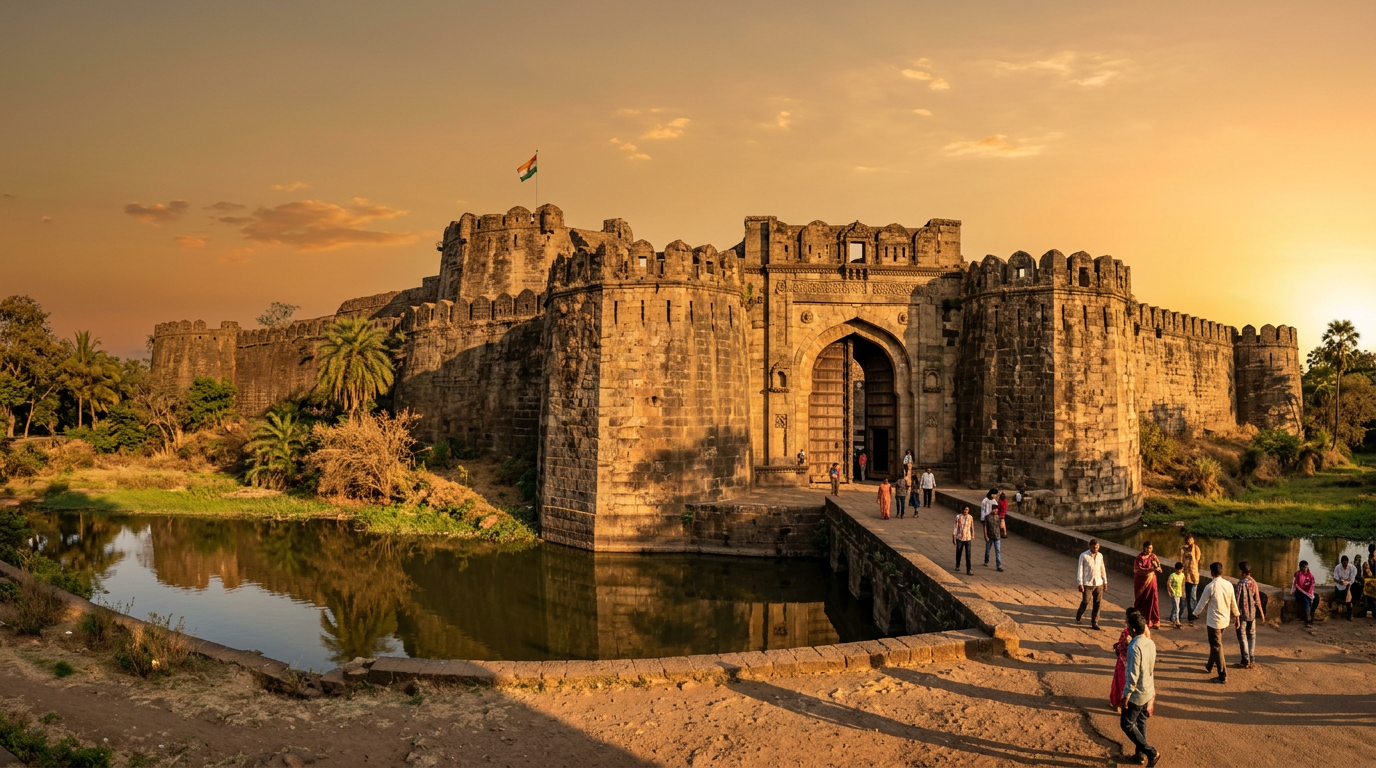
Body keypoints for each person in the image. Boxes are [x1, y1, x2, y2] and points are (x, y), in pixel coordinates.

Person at [1119, 612, 1160, 767]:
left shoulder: (1134, 647)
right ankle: (1140, 754)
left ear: (1133, 629)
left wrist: (1125, 695)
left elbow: (1132, 675)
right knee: (1141, 721)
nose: (1127, 629)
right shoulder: (1150, 643)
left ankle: (1150, 752)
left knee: (1127, 724)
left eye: (1129, 626)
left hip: (1137, 694)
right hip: (1148, 690)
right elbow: (1150, 669)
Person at [1194, 561, 1239, 683]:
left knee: (1216, 646)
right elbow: (1233, 602)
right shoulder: (1229, 585)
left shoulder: (1210, 587)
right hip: (1225, 620)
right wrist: (1236, 615)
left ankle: (1222, 674)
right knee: (1216, 644)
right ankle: (1209, 665)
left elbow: (1202, 602)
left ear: (1211, 573)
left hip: (1214, 622)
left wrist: (1195, 613)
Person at [1110, 607, 1143, 710]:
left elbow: (1121, 647)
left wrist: (1119, 647)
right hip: (1137, 661)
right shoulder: (1144, 631)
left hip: (1123, 661)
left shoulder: (1126, 632)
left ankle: (1118, 702)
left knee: (1121, 683)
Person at [1234, 560, 1264, 669]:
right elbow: (1258, 599)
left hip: (1242, 615)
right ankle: (1252, 659)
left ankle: (1245, 659)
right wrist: (1261, 612)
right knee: (1251, 636)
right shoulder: (1254, 582)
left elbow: (1236, 601)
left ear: (1241, 571)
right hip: (1252, 614)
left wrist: (1236, 617)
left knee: (1242, 637)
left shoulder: (1240, 584)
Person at [1076, 539, 1108, 629]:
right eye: (1094, 547)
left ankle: (1095, 622)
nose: (1095, 549)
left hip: (1098, 583)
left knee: (1097, 603)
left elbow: (1102, 568)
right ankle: (1079, 615)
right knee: (1085, 601)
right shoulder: (1084, 556)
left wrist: (1105, 581)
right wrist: (1080, 583)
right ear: (1089, 546)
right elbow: (1080, 570)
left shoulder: (1100, 556)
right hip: (1087, 583)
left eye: (1097, 547)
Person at [1133, 542, 1163, 630]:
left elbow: (1159, 568)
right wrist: (1151, 569)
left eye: (1151, 548)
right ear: (1144, 548)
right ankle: (1140, 620)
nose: (1150, 550)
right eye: (1148, 548)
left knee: (1152, 600)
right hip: (1141, 582)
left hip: (1151, 581)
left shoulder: (1153, 556)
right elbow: (1139, 569)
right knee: (1141, 600)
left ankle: (1154, 620)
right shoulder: (1139, 558)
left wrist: (1157, 569)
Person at [1180, 535, 1202, 625]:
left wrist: (1198, 572)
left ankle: (1194, 614)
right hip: (1186, 575)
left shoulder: (1196, 548)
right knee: (1188, 596)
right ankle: (1191, 615)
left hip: (1194, 574)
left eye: (1192, 539)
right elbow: (1181, 560)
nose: (1190, 541)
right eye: (1189, 540)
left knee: (1193, 595)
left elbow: (1197, 560)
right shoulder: (1183, 549)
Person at [1292, 560, 1317, 628]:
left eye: (1306, 567)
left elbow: (1312, 584)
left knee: (1316, 598)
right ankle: (1306, 620)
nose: (1305, 569)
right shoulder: (1297, 574)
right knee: (1306, 601)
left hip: (1308, 592)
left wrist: (1310, 594)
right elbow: (1296, 585)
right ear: (1300, 567)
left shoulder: (1310, 575)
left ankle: (1312, 616)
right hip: (1300, 592)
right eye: (1304, 567)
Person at [981, 495, 1003, 571]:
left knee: (998, 551)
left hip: (997, 536)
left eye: (996, 510)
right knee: (987, 550)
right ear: (991, 510)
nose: (995, 511)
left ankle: (999, 565)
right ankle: (986, 560)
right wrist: (985, 535)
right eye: (994, 510)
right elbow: (985, 527)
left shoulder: (998, 517)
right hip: (989, 536)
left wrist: (1003, 530)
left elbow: (1000, 525)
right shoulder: (987, 517)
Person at [1334, 555, 1357, 621]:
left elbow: (1352, 580)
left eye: (1346, 564)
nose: (1344, 566)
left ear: (1348, 562)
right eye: (1343, 564)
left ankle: (1350, 614)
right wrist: (1340, 581)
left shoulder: (1353, 568)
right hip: (1340, 584)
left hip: (1349, 584)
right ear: (1341, 562)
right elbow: (1335, 578)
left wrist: (1347, 583)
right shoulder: (1337, 567)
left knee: (1348, 595)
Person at [953, 506, 974, 575]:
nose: (966, 511)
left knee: (968, 554)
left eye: (967, 510)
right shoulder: (958, 517)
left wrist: (973, 534)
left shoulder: (970, 517)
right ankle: (958, 564)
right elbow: (956, 527)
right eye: (965, 510)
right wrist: (954, 536)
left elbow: (972, 526)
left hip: (967, 538)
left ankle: (969, 569)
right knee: (959, 552)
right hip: (960, 537)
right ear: (962, 510)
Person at [1167, 562, 1185, 628]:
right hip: (1174, 593)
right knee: (1177, 607)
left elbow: (1183, 583)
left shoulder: (1182, 575)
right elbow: (1168, 583)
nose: (1179, 571)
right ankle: (1177, 621)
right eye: (1178, 569)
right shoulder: (1172, 575)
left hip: (1179, 593)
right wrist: (1170, 590)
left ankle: (1173, 618)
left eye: (1180, 569)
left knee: (1175, 607)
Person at [1353, 555, 1366, 619]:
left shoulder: (1359, 567)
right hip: (1354, 583)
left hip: (1357, 581)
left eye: (1359, 560)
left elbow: (1359, 576)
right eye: (1357, 560)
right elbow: (1355, 577)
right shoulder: (1354, 567)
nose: (1358, 561)